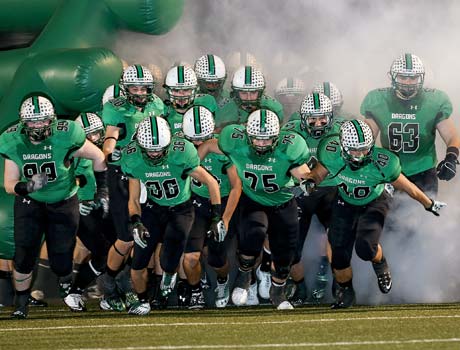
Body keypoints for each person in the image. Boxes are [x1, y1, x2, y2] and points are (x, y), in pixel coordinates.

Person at [300, 119, 446, 308]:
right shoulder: (331, 152)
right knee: (339, 256)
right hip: (345, 202)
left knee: (365, 247)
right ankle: (347, 291)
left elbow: (408, 186)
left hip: (374, 202)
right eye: (354, 150)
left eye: (364, 149)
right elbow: (319, 173)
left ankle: (381, 264)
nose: (360, 155)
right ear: (343, 147)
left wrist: (429, 203)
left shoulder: (383, 162)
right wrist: (311, 180)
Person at [0, 95, 108, 318]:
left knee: (61, 260)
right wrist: (28, 185)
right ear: (23, 122)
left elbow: (98, 156)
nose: (38, 126)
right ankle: (21, 304)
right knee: (24, 255)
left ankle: (65, 280)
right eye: (32, 121)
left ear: (52, 119)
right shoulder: (12, 140)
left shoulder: (66, 134)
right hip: (31, 202)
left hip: (64, 201)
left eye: (43, 120)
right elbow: (9, 184)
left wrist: (103, 190)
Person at [198, 109, 311, 310]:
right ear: (248, 136)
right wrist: (193, 168)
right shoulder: (235, 143)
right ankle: (244, 275)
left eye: (267, 140)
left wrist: (307, 181)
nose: (261, 144)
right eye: (257, 139)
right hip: (253, 199)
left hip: (283, 203)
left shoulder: (288, 149)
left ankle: (278, 292)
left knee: (285, 257)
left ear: (277, 138)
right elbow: (207, 145)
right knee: (253, 234)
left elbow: (302, 172)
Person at [121, 116, 222, 315]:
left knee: (168, 260)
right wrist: (136, 221)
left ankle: (168, 274)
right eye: (150, 150)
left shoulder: (182, 152)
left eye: (159, 149)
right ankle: (142, 300)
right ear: (140, 146)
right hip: (153, 207)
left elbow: (211, 182)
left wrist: (217, 216)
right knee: (138, 261)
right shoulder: (133, 158)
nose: (155, 154)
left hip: (181, 209)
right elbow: (133, 199)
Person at [101, 64, 164, 311]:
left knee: (145, 234)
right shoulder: (116, 108)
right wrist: (109, 149)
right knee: (126, 237)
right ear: (125, 89)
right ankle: (108, 282)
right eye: (134, 87)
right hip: (122, 174)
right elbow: (110, 137)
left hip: (147, 172)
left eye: (143, 87)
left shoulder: (157, 105)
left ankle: (131, 284)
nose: (139, 91)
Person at [361, 53, 460, 195]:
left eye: (413, 78)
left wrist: (451, 157)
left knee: (423, 215)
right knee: (388, 215)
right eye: (403, 77)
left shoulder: (435, 101)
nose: (408, 82)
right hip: (389, 170)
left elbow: (451, 135)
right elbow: (366, 137)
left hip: (423, 171)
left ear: (421, 77)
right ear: (393, 76)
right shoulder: (377, 100)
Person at [282, 92, 341, 304]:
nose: (318, 123)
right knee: (292, 247)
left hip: (331, 189)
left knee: (338, 238)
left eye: (323, 118)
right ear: (302, 118)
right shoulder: (289, 132)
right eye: (312, 119)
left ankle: (340, 283)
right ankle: (299, 287)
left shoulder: (342, 132)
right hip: (300, 192)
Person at [182, 106, 242, 309]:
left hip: (223, 203)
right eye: (193, 139)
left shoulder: (223, 150)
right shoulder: (178, 147)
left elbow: (236, 187)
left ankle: (222, 281)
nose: (198, 142)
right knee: (191, 256)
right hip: (197, 203)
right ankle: (195, 290)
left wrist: (225, 218)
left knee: (216, 258)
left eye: (203, 138)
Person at [63, 112, 115, 312]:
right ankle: (75, 292)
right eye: (87, 135)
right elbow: (60, 186)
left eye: (96, 133)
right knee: (103, 252)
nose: (93, 138)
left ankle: (108, 293)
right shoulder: (72, 156)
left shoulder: (107, 149)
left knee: (119, 249)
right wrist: (75, 205)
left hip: (105, 208)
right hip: (83, 209)